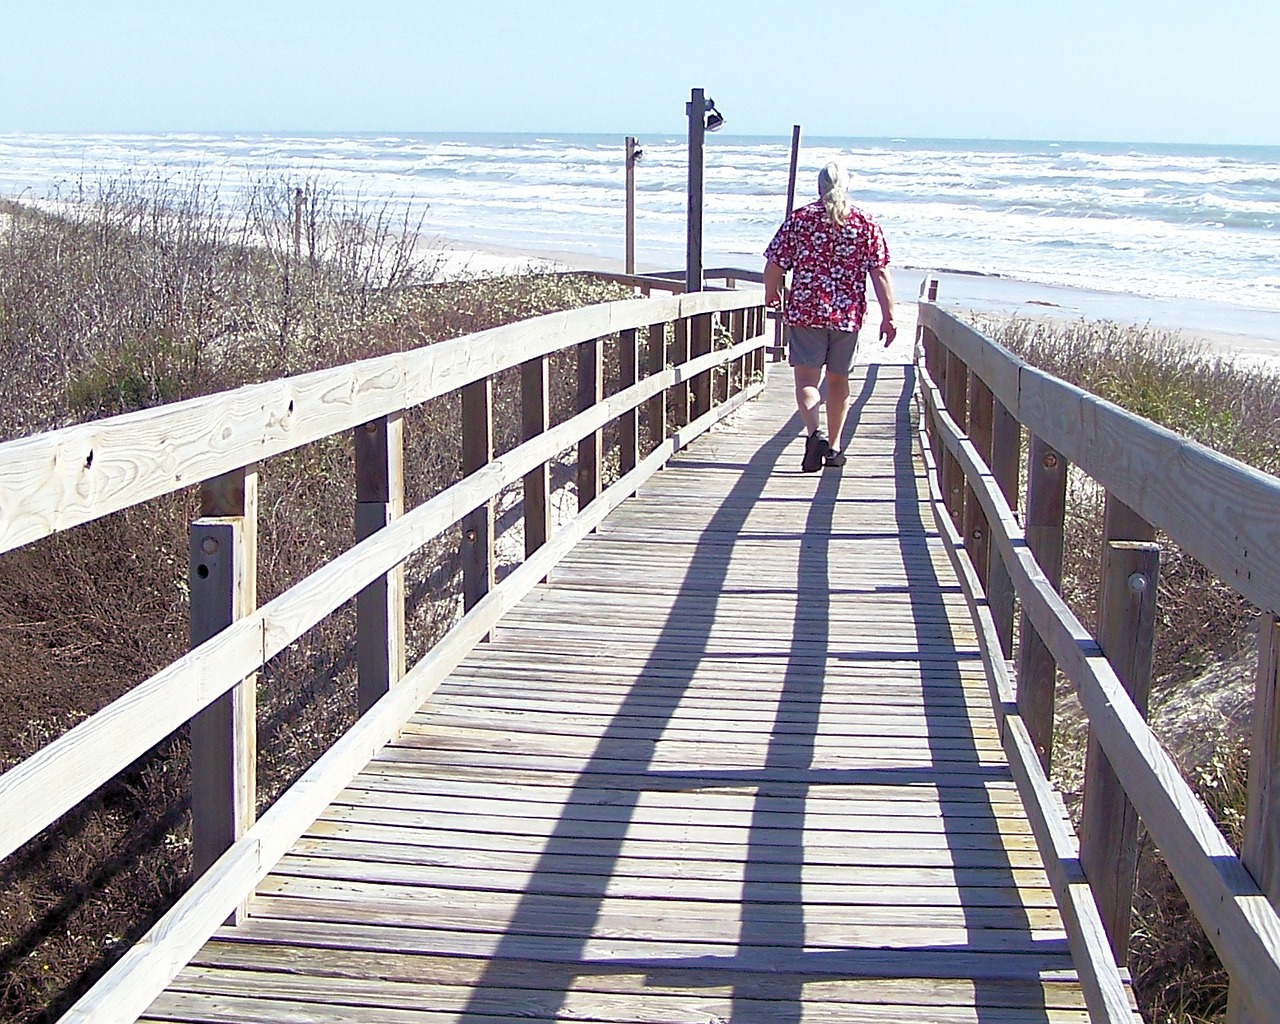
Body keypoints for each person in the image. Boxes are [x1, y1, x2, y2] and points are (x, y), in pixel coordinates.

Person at [763, 161, 897, 472]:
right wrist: (889, 316)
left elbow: (775, 264)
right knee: (839, 381)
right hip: (847, 315)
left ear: (818, 187)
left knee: (807, 381)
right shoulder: (864, 222)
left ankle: (814, 432)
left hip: (806, 312)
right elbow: (880, 272)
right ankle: (835, 448)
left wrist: (771, 293)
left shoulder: (800, 220)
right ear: (847, 187)